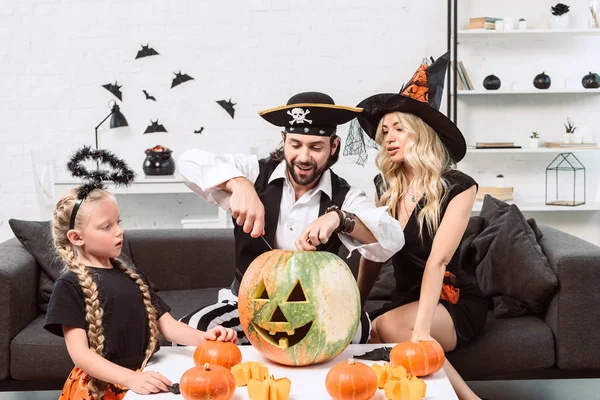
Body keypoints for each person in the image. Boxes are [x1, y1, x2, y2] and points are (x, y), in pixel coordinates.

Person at [178, 91, 405, 345]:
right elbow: (187, 162)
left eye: (316, 147)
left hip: (317, 312)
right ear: (283, 139)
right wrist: (239, 184)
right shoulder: (253, 172)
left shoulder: (346, 196)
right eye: (295, 145)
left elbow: (392, 239)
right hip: (248, 305)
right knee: (196, 329)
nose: (304, 157)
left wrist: (341, 219)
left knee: (360, 331)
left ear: (334, 146)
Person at [44, 147, 238, 400]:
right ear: (76, 237)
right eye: (106, 226)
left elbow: (168, 327)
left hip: (146, 374)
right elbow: (81, 355)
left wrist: (206, 339)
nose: (119, 231)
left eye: (118, 222)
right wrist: (130, 378)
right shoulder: (69, 285)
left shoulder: (133, 277)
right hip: (99, 388)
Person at [353, 53, 488, 400]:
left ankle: (469, 398)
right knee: (369, 336)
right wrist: (356, 304)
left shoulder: (458, 186)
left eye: (399, 129)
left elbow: (438, 262)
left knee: (390, 327)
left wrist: (422, 330)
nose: (389, 138)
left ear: (422, 134)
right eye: (384, 132)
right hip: (406, 299)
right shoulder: (386, 186)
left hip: (451, 304)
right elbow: (374, 255)